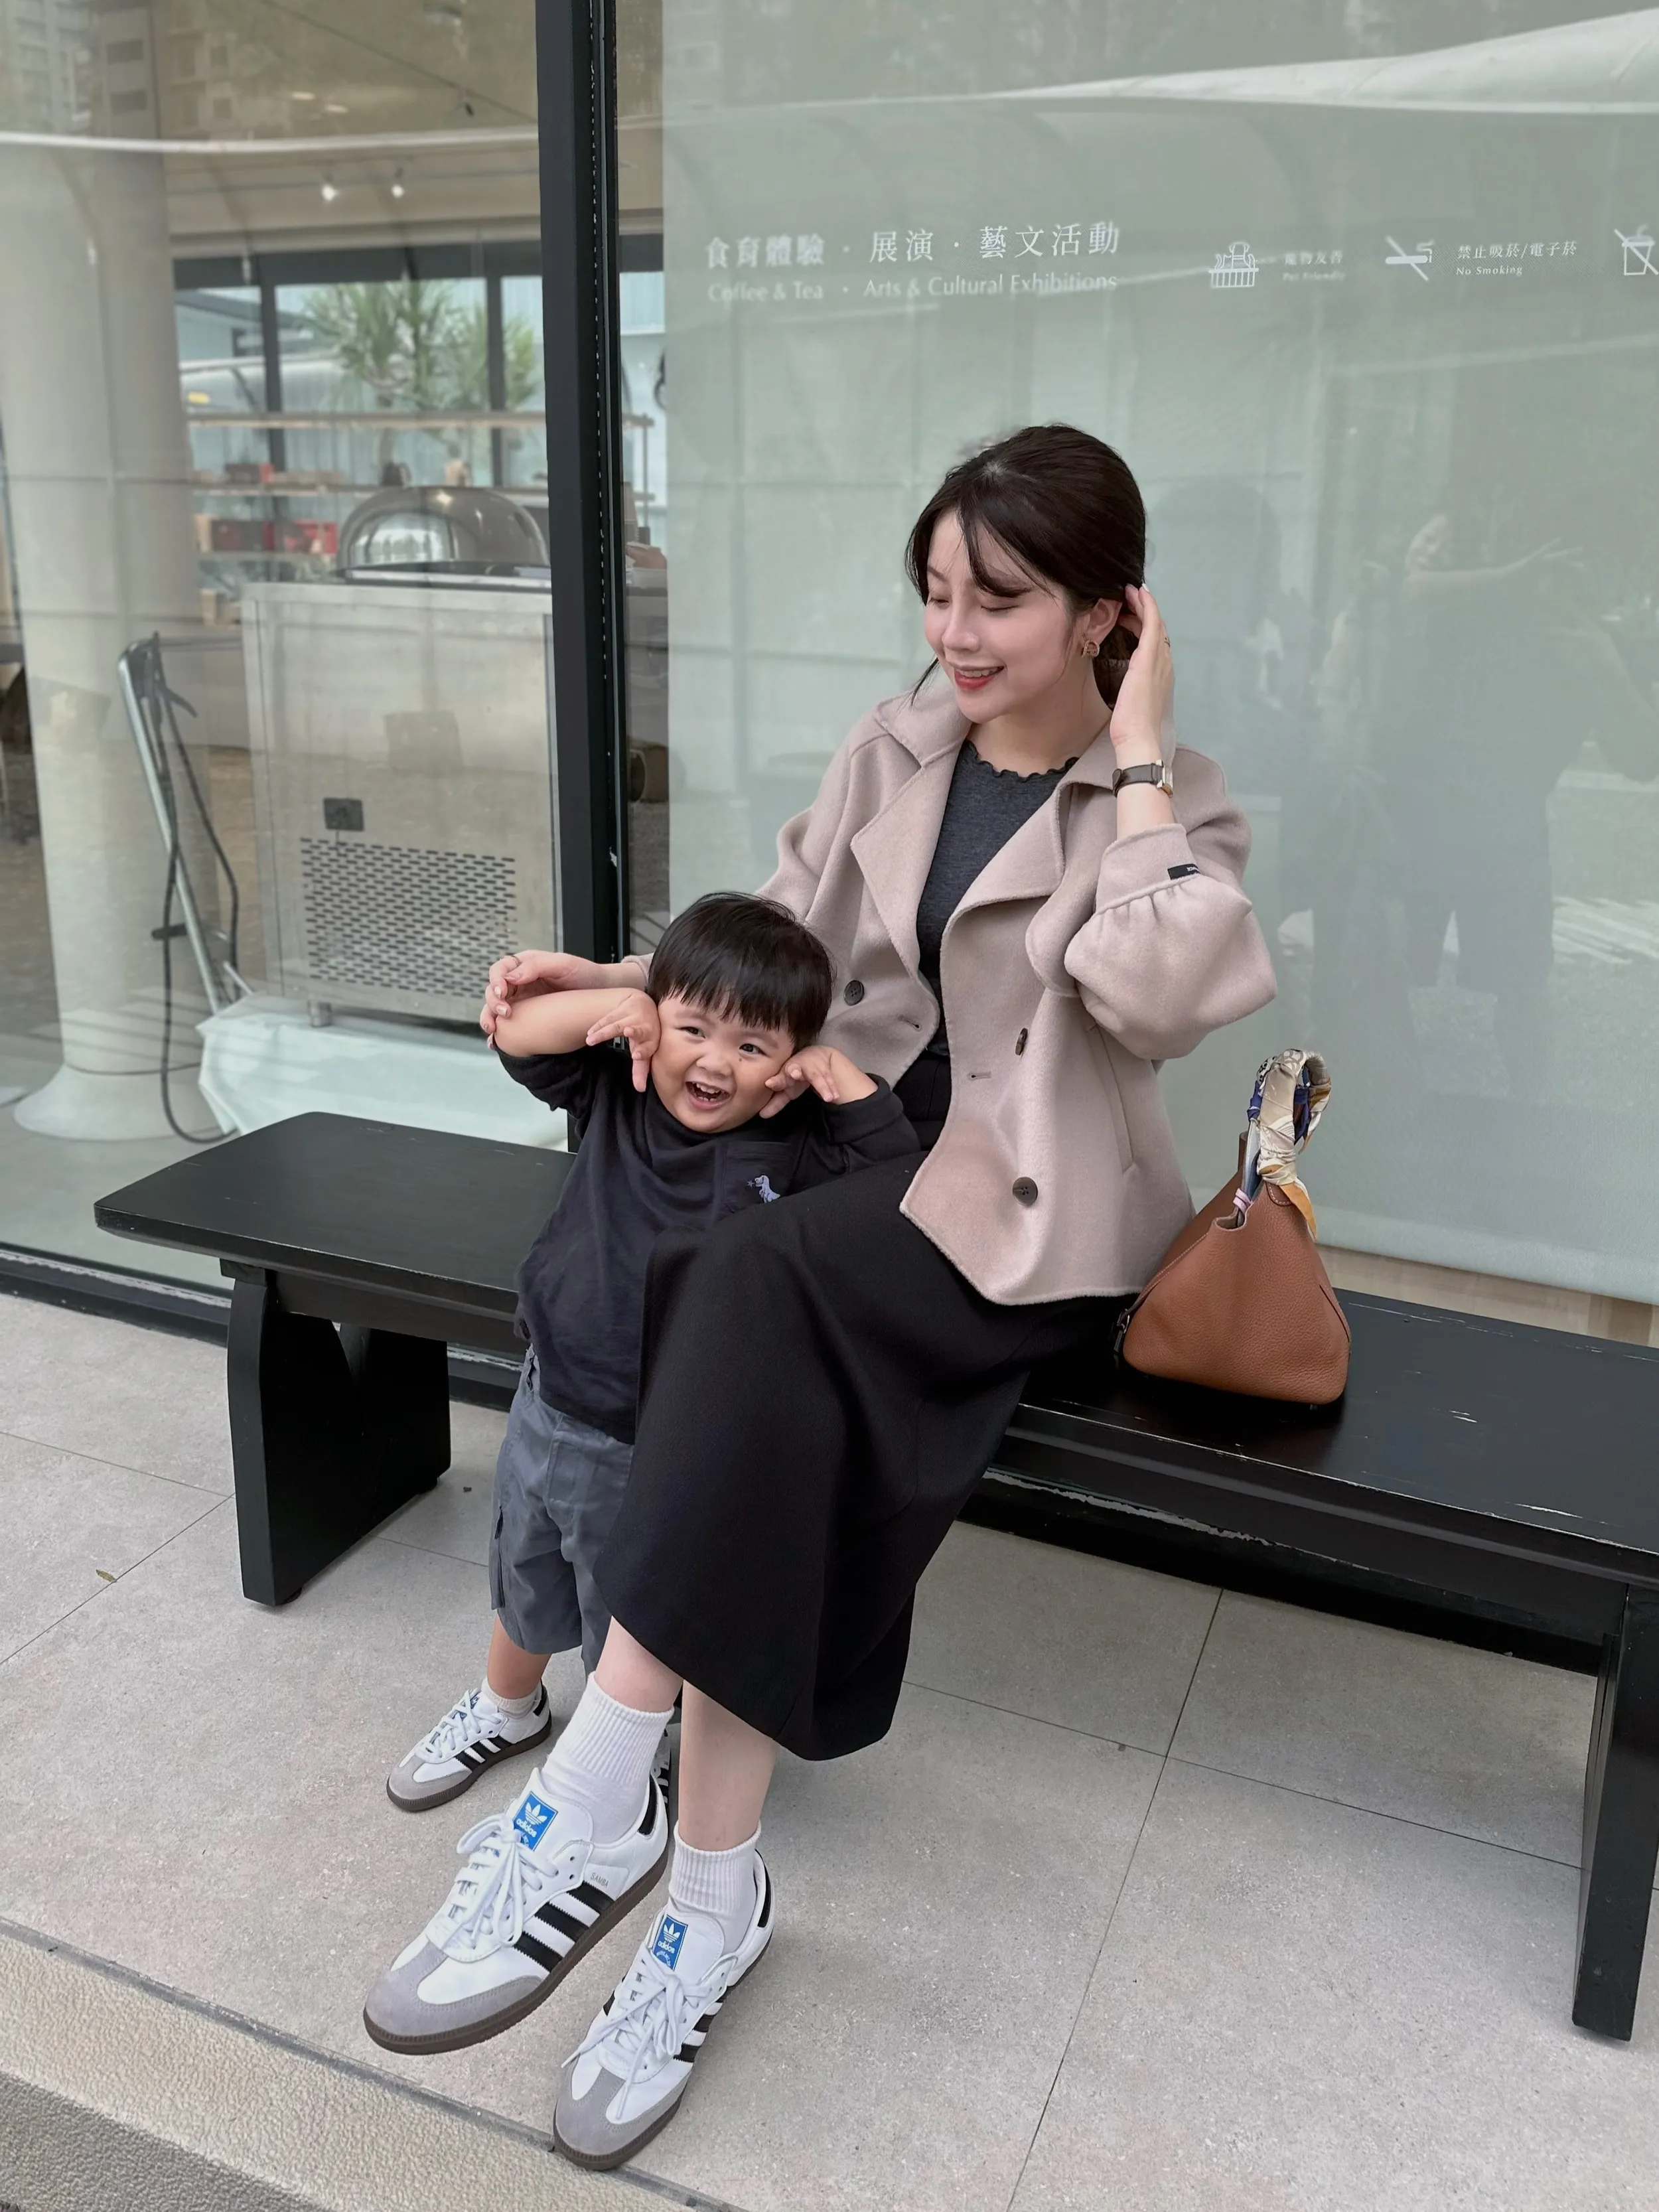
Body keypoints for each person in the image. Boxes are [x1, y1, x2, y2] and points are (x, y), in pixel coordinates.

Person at [370, 423, 1277, 2170]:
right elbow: (777, 934)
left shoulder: (1169, 799)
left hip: (1017, 1222)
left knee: (745, 1280)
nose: (954, 631)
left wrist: (1138, 755)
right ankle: (706, 1904)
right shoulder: (892, 745)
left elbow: (1161, 995)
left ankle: (594, 1795)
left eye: (997, 599)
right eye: (935, 590)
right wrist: (619, 978)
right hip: (844, 1171)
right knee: (754, 1370)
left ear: (1107, 611)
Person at [364, 895, 915, 2031]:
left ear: (788, 1065)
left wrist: (849, 1087)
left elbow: (894, 1181)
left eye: (752, 1046)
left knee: (629, 1617)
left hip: (660, 1445)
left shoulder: (796, 1147)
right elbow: (517, 1032)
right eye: (693, 1028)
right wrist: (610, 1003)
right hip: (550, 1392)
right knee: (524, 1571)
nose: (711, 1063)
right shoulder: (618, 1086)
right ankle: (507, 1706)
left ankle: (627, 1771)